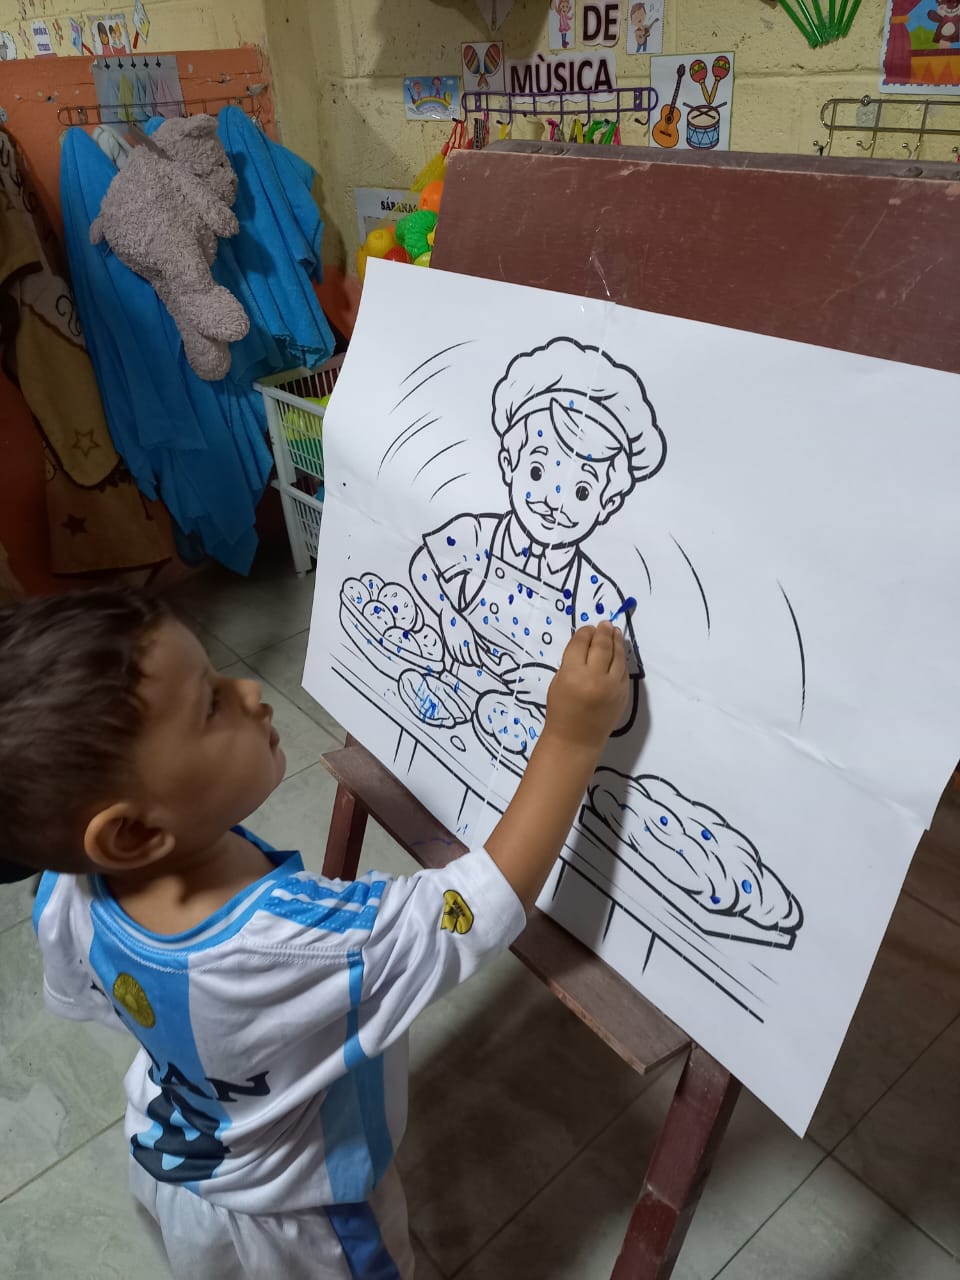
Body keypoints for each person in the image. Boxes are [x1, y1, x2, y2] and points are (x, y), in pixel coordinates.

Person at [3, 588, 627, 1280]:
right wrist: (572, 738)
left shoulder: (64, 891)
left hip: (173, 1166)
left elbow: (102, 1000)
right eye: (211, 705)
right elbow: (474, 910)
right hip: (302, 1230)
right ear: (133, 833)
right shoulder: (301, 944)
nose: (250, 693)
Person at [410, 336, 666, 737]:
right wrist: (448, 614)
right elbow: (422, 567)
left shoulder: (597, 596)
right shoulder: (479, 534)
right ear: (508, 463)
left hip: (536, 744)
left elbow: (625, 706)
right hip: (444, 705)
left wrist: (556, 687)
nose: (553, 501)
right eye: (537, 471)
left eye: (582, 490)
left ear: (608, 504)